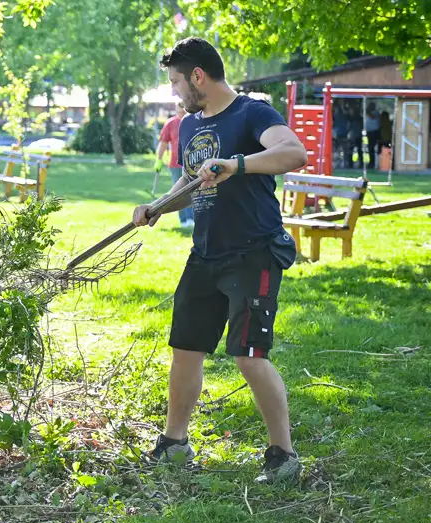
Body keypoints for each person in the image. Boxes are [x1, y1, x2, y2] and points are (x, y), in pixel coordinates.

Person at [132, 37, 309, 484]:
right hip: (205, 253)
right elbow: (190, 186)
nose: (174, 92)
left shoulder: (252, 113)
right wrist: (157, 206)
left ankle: (283, 455)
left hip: (254, 252)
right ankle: (175, 443)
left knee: (249, 356)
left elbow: (294, 152)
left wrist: (237, 164)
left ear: (197, 76)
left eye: (176, 82)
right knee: (186, 349)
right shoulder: (190, 125)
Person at [156, 103, 194, 228]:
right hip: (175, 164)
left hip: (192, 163)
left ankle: (191, 218)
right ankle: (183, 220)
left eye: (183, 106)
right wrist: (159, 160)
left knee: (192, 191)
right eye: (179, 106)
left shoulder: (194, 120)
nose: (181, 109)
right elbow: (163, 143)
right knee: (178, 193)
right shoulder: (171, 123)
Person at [346, 101, 364, 169]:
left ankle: (350, 164)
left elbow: (348, 127)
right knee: (358, 151)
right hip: (356, 136)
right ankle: (357, 164)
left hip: (354, 136)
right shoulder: (359, 118)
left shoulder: (351, 119)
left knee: (353, 150)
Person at [364, 105, 381, 169]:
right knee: (370, 148)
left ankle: (373, 163)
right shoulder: (369, 114)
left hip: (374, 132)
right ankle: (371, 162)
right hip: (369, 132)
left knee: (372, 148)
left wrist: (367, 112)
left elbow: (372, 117)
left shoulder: (375, 113)